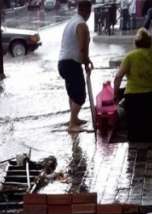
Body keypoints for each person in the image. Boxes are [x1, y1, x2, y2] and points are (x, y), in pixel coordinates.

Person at [113, 28, 152, 142]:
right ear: (150, 42)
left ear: (136, 43)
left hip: (133, 97)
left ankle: (135, 153)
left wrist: (115, 93)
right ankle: (151, 151)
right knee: (151, 128)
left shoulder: (129, 56)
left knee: (134, 129)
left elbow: (118, 76)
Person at [58, 0, 94, 132]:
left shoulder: (72, 21)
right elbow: (82, 48)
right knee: (79, 95)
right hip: (71, 63)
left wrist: (86, 60)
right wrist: (86, 63)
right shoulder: (81, 25)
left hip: (63, 62)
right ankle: (72, 124)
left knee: (73, 93)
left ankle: (74, 118)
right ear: (87, 11)